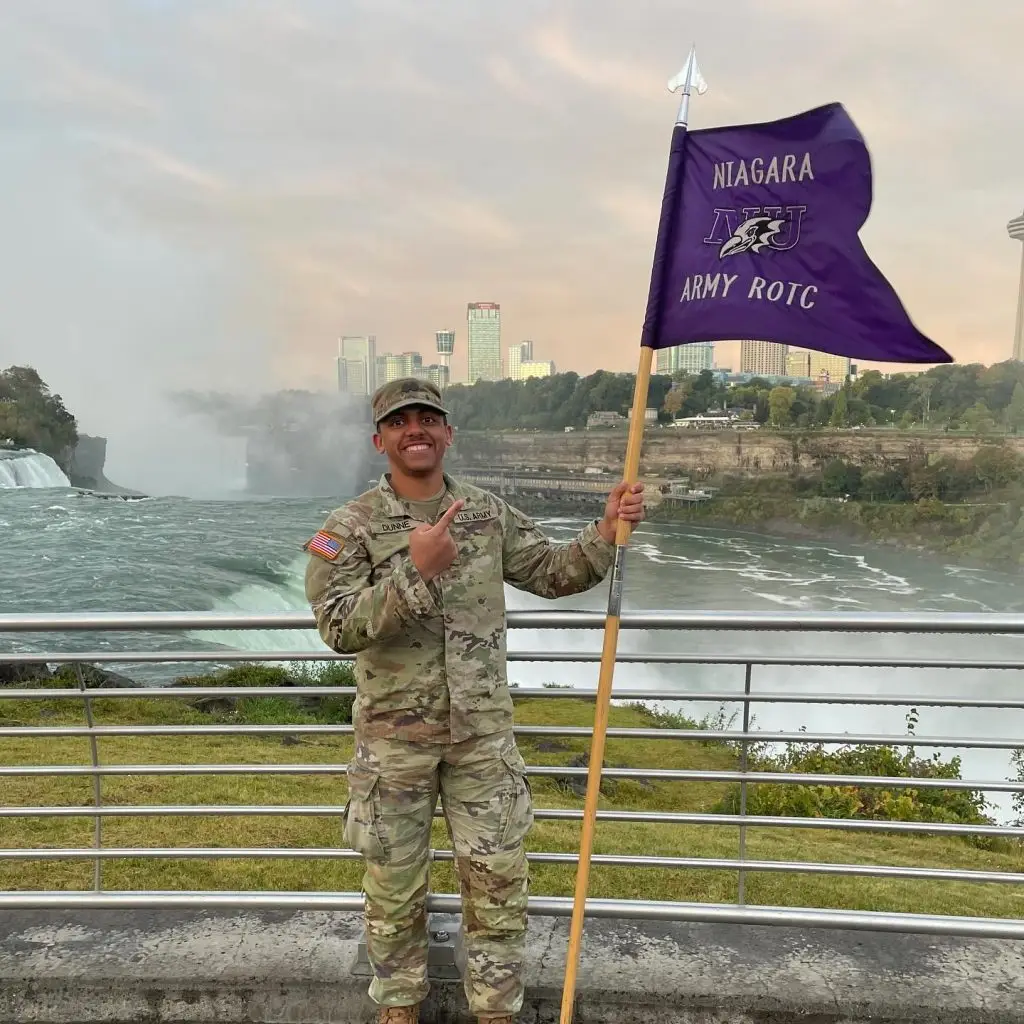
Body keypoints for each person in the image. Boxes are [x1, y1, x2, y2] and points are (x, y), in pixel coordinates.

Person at [303, 378, 645, 1024]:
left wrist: (605, 528)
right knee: (394, 895)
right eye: (400, 422)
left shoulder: (488, 515)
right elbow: (337, 625)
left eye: (428, 418)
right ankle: (398, 1012)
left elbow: (554, 569)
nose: (416, 430)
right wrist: (415, 572)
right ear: (380, 441)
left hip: (482, 745)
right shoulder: (349, 528)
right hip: (392, 750)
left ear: (448, 434)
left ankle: (495, 1013)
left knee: (497, 890)